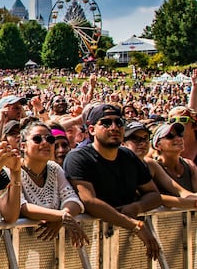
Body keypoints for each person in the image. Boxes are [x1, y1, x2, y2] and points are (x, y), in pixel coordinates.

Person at [63, 104, 162, 260]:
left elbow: (154, 195)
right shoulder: (78, 158)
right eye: (106, 123)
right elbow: (89, 200)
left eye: (119, 122)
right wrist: (134, 225)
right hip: (86, 241)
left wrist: (137, 206)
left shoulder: (129, 156)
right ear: (91, 130)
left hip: (126, 243)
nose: (114, 127)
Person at [16, 121, 88, 247]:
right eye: (37, 139)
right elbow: (22, 206)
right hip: (18, 245)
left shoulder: (54, 168)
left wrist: (63, 216)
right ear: (23, 146)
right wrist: (62, 216)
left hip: (51, 247)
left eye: (49, 139)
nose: (45, 143)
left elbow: (72, 200)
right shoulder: (12, 170)